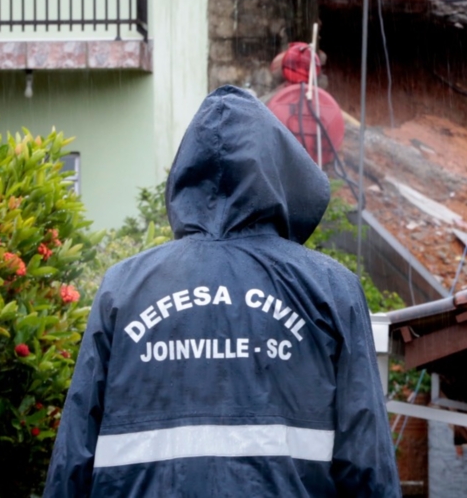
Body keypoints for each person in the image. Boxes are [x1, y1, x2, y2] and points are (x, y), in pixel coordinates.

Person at [43, 86, 400, 497]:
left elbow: (73, 458)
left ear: (186, 175)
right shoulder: (331, 288)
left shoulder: (123, 289)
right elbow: (367, 464)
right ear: (280, 171)